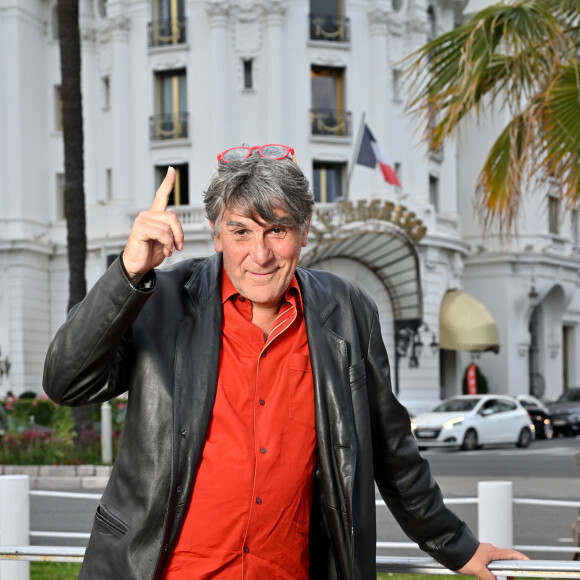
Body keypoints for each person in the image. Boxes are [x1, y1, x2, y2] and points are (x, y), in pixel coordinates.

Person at [43, 144, 526, 580]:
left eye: (278, 231)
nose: (261, 254)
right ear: (215, 234)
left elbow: (391, 447)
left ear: (304, 232)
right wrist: (128, 273)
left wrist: (454, 544)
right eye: (240, 231)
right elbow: (66, 382)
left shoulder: (347, 311)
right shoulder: (161, 298)